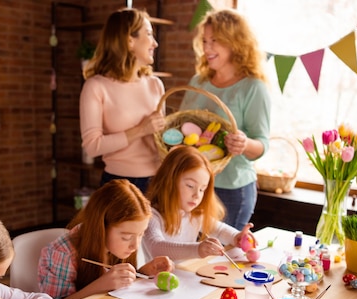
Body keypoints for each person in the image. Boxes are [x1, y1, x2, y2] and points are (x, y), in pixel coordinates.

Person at [180, 9, 271, 230]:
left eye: (214, 41)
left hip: (232, 190)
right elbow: (181, 125)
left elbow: (262, 144)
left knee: (220, 258)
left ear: (235, 43)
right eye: (204, 41)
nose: (207, 47)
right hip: (192, 186)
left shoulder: (252, 87)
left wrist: (244, 143)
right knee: (192, 256)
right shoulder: (198, 81)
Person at [38, 179, 174, 299]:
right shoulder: (63, 253)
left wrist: (143, 272)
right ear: (101, 227)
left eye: (141, 235)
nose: (135, 246)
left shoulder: (116, 245)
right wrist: (100, 285)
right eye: (127, 237)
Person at [79, 8, 166, 194]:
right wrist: (141, 129)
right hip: (120, 186)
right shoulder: (96, 86)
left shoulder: (155, 85)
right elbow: (92, 146)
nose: (155, 43)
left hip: (158, 182)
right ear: (129, 40)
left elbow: (160, 141)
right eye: (149, 35)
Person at [143, 146, 254, 262]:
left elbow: (220, 230)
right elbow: (157, 248)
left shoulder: (194, 215)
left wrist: (237, 237)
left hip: (185, 276)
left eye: (202, 189)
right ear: (168, 181)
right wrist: (198, 249)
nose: (197, 195)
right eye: (190, 186)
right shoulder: (151, 216)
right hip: (157, 279)